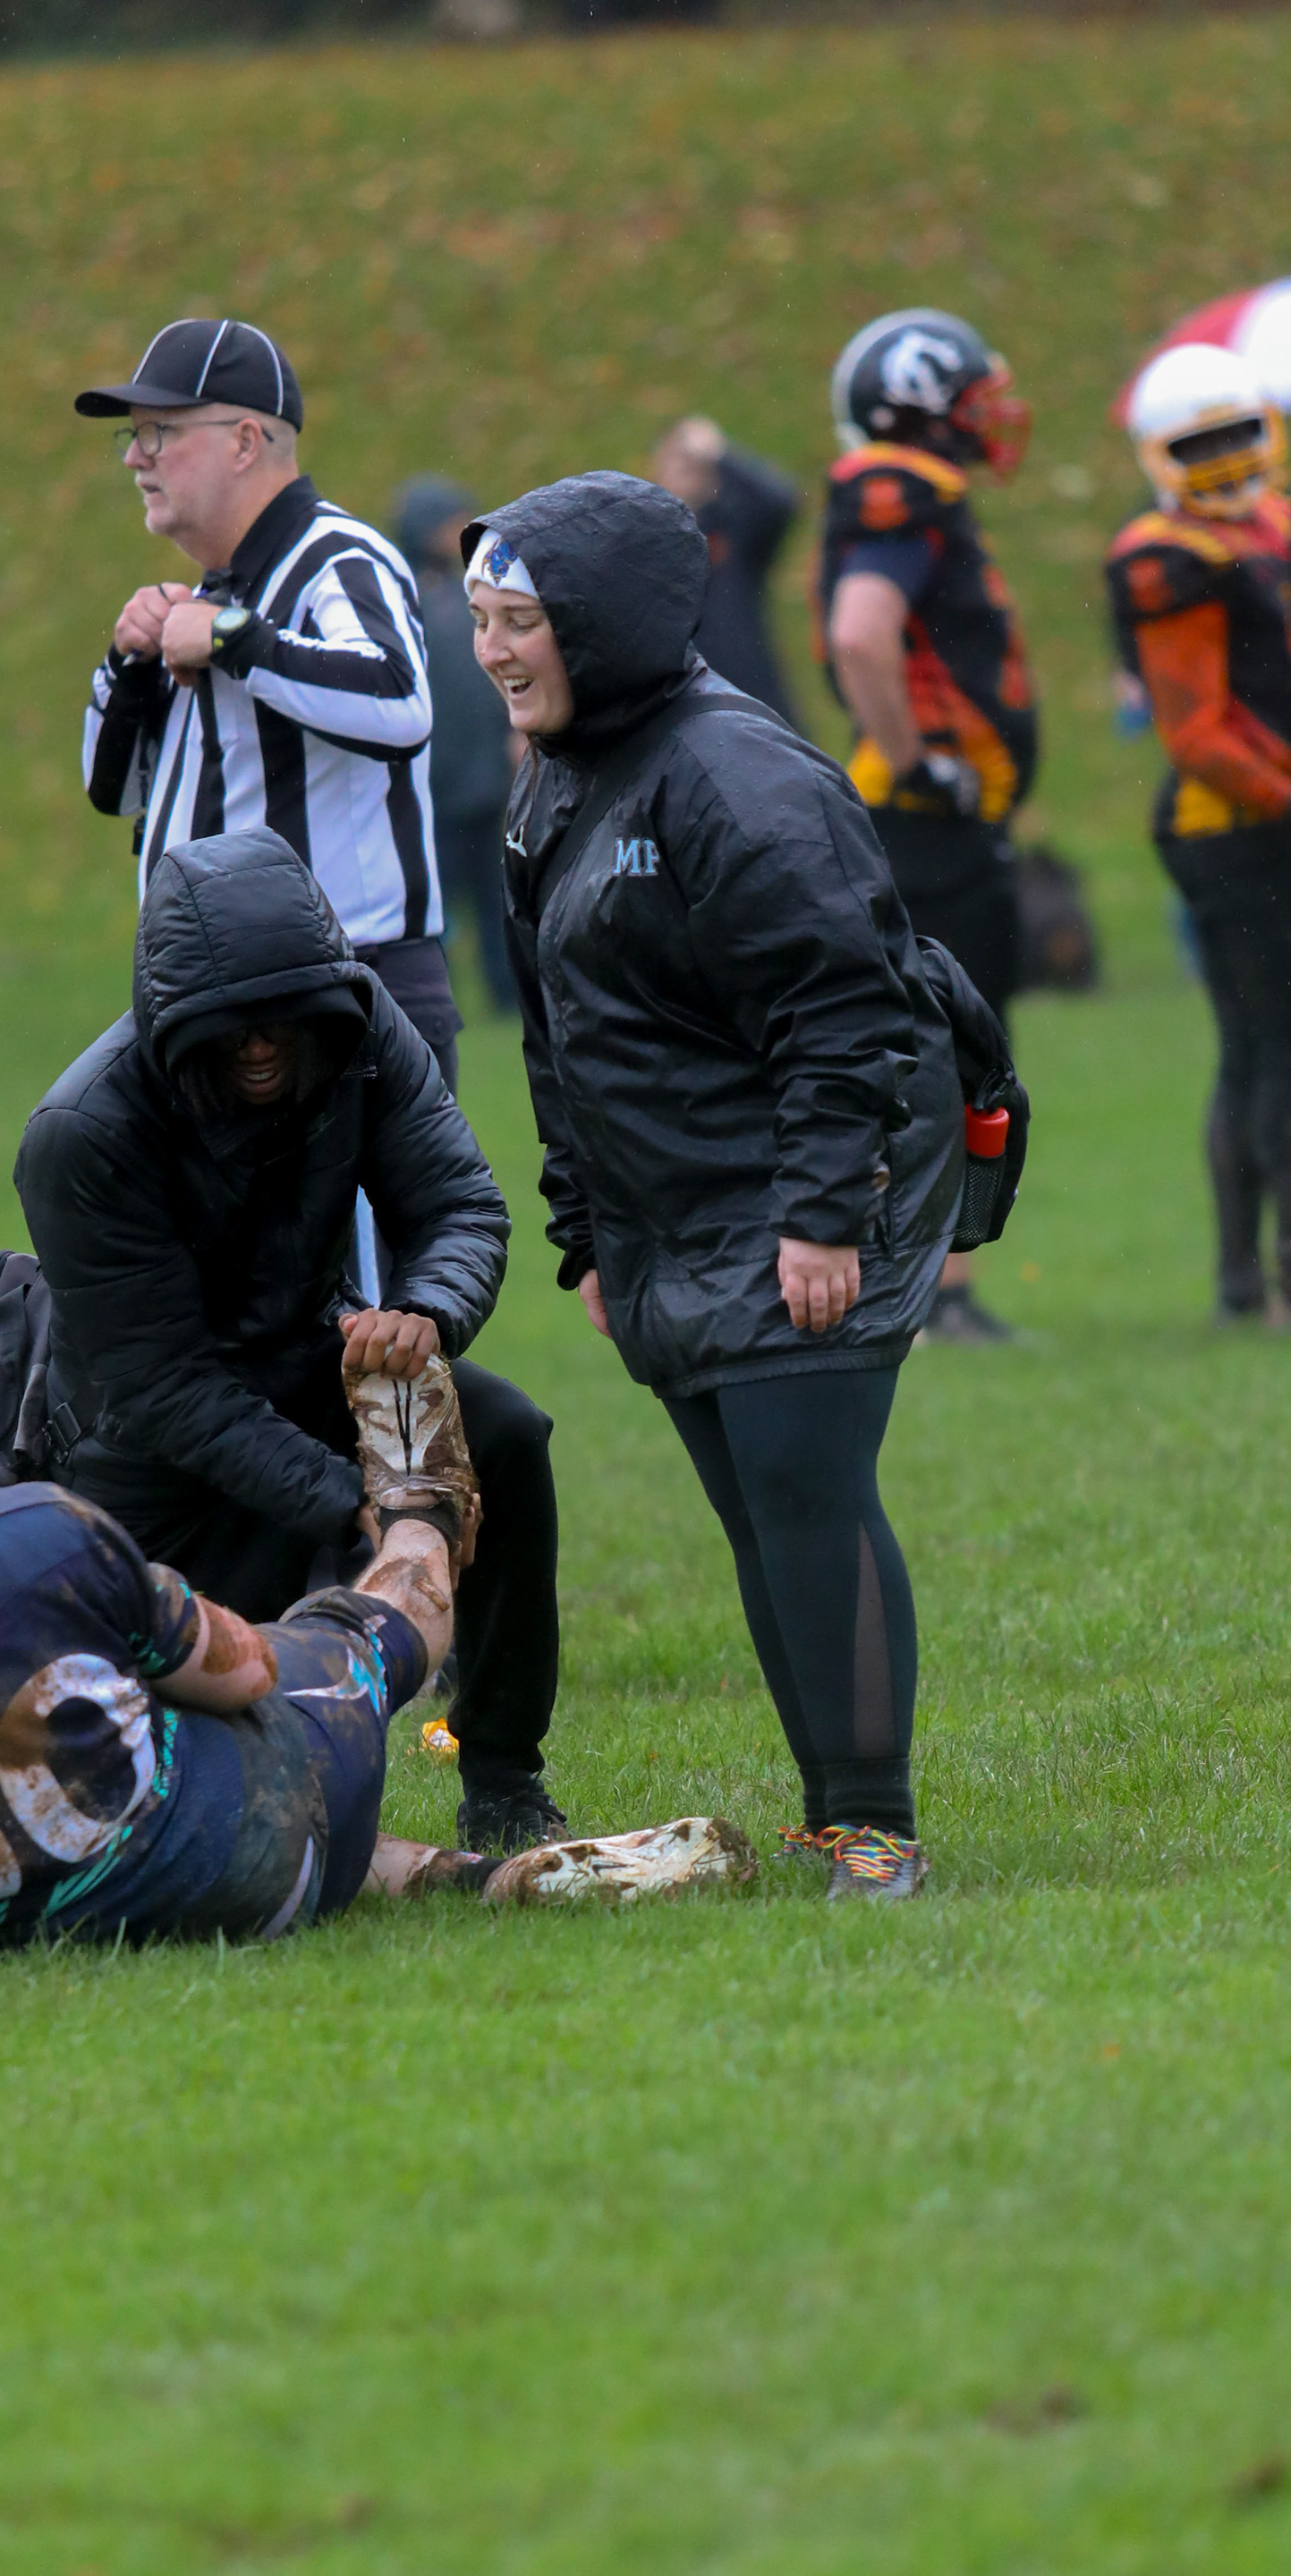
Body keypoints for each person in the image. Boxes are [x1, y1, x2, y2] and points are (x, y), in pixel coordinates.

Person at [468, 470, 1007, 1901]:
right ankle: (834, 1811)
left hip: (818, 1190)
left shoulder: (737, 778)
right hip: (678, 1216)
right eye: (482, 620)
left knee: (809, 1496)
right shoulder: (556, 773)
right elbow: (558, 1030)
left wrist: (826, 1214)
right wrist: (585, 1236)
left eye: (522, 620)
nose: (496, 650)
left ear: (607, 622)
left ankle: (875, 1831)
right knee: (759, 1513)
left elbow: (846, 1012)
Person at [0, 1418, 752, 1989]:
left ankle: (459, 1880)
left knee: (119, 1774)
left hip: (42, 1917)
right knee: (352, 1635)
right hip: (251, 1859)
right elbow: (241, 1676)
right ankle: (419, 1499)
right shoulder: (28, 1542)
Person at [13, 825, 565, 1855]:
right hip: (143, 1449)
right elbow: (161, 1383)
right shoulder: (83, 1132)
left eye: (281, 1021)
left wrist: (426, 1313)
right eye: (228, 1032)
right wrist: (349, 1500)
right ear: (172, 1027)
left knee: (510, 1436)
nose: (260, 1046)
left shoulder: (361, 1030)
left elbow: (461, 1205)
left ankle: (502, 1775)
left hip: (315, 1358)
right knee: (113, 1748)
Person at [75, 317, 460, 1089]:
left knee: (364, 1220)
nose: (138, 459)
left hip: (341, 996)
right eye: (133, 436)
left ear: (246, 441)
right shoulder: (214, 594)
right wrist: (132, 662)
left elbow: (399, 700)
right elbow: (112, 791)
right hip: (212, 998)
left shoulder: (337, 557)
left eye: (161, 431)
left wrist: (230, 639)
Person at [816, 308, 1037, 1343]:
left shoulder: (915, 496)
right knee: (953, 1047)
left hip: (925, 820)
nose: (984, 418)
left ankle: (926, 1282)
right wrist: (922, 764)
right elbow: (863, 634)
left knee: (945, 1042)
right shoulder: (901, 490)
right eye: (967, 398)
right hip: (920, 822)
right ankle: (935, 1289)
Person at [1108, 343, 1291, 1321]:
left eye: (1236, 433)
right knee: (1269, 1046)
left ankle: (1241, 1280)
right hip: (1234, 828)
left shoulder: (1270, 526)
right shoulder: (1163, 553)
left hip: (1268, 817)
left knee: (1259, 1046)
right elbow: (1196, 729)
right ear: (1159, 453)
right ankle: (1266, 1278)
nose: (1225, 458)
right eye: (1200, 442)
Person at [395, 476, 519, 1015]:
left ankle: (506, 995)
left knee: (497, 895)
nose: (460, 531)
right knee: (438, 902)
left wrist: (512, 730)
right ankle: (436, 999)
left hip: (485, 774)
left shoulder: (469, 590)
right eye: (450, 522)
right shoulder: (406, 598)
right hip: (437, 783)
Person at [649, 415, 803, 729]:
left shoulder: (732, 536)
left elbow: (781, 501)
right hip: (694, 719)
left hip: (762, 707)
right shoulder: (647, 552)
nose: (686, 473)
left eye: (694, 465)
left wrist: (721, 454)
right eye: (676, 462)